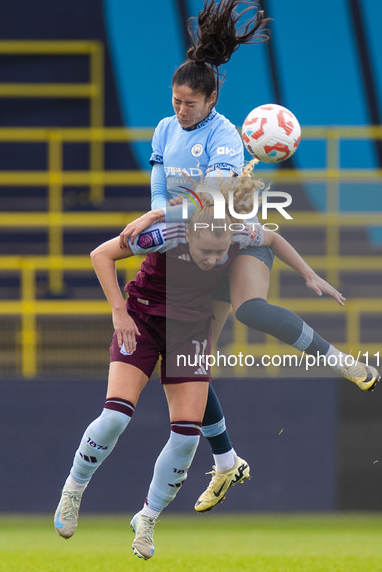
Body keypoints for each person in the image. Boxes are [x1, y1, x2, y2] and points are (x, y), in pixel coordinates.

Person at [118, 0, 380, 514]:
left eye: (190, 102)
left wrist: (309, 275)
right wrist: (155, 206)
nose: (180, 109)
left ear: (212, 101)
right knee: (191, 363)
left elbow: (211, 204)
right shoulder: (167, 129)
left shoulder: (228, 140)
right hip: (196, 250)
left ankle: (342, 361)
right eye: (176, 101)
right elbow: (158, 176)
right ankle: (226, 461)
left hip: (229, 237)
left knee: (252, 309)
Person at [54, 177, 348, 560]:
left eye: (219, 253)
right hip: (142, 320)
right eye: (205, 252)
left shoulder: (239, 234)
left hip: (190, 331)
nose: (213, 260)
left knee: (187, 436)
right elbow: (100, 255)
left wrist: (308, 273)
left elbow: (273, 240)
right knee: (114, 417)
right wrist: (119, 313)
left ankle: (147, 519)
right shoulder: (165, 233)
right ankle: (73, 491)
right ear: (188, 235)